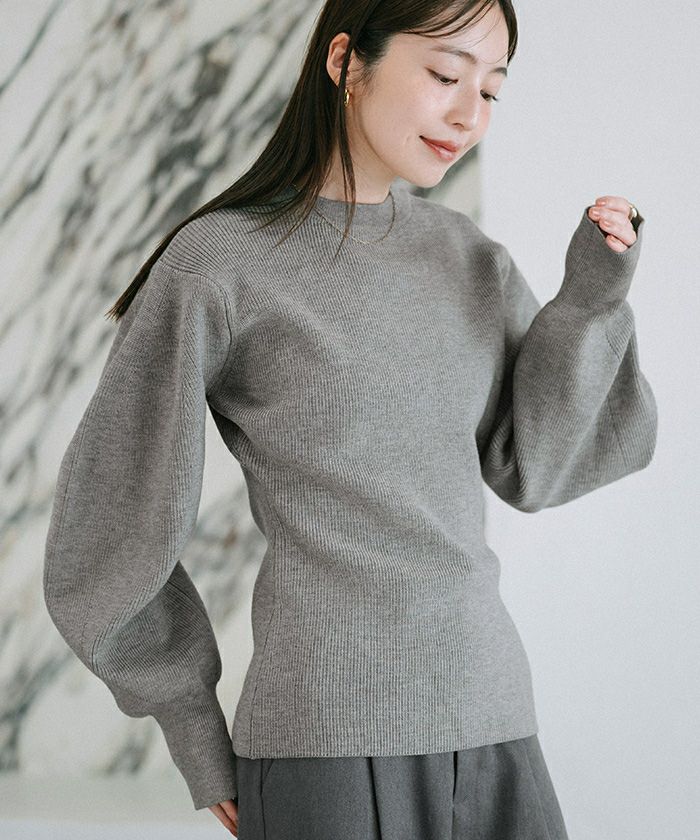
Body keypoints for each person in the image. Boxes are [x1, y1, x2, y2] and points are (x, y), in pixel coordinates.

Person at [42, 0, 656, 838]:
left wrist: (588, 303)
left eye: (491, 90)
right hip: (325, 748)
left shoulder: (468, 258)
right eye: (445, 74)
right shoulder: (220, 262)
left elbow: (538, 468)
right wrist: (193, 731)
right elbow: (107, 523)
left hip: (496, 725)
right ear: (344, 62)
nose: (469, 114)